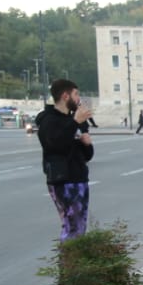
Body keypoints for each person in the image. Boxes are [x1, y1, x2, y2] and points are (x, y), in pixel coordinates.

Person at [36, 79, 95, 241]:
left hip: (78, 178)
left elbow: (87, 155)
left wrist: (86, 142)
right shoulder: (49, 120)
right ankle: (69, 264)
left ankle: (73, 262)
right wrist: (75, 122)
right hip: (64, 180)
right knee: (73, 227)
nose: (79, 99)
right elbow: (55, 145)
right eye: (76, 94)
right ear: (65, 96)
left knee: (79, 227)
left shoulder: (72, 121)